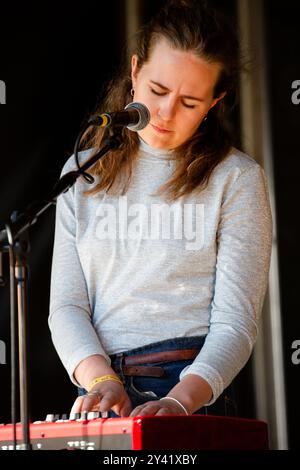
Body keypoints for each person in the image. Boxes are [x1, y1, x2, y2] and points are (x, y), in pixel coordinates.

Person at [49, 0, 272, 419]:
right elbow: (66, 305)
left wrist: (178, 401)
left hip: (189, 386)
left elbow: (235, 324)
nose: (167, 113)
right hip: (97, 387)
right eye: (158, 90)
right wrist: (101, 380)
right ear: (135, 72)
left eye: (190, 102)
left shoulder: (237, 179)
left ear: (214, 102)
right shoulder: (84, 169)